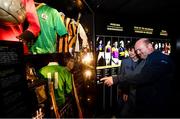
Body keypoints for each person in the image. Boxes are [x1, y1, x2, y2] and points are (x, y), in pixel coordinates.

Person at [101, 38, 174, 117]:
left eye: (139, 49)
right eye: (136, 50)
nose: (138, 53)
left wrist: (116, 79)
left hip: (157, 106)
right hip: (145, 104)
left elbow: (144, 76)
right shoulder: (148, 59)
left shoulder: (160, 59)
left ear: (149, 46)